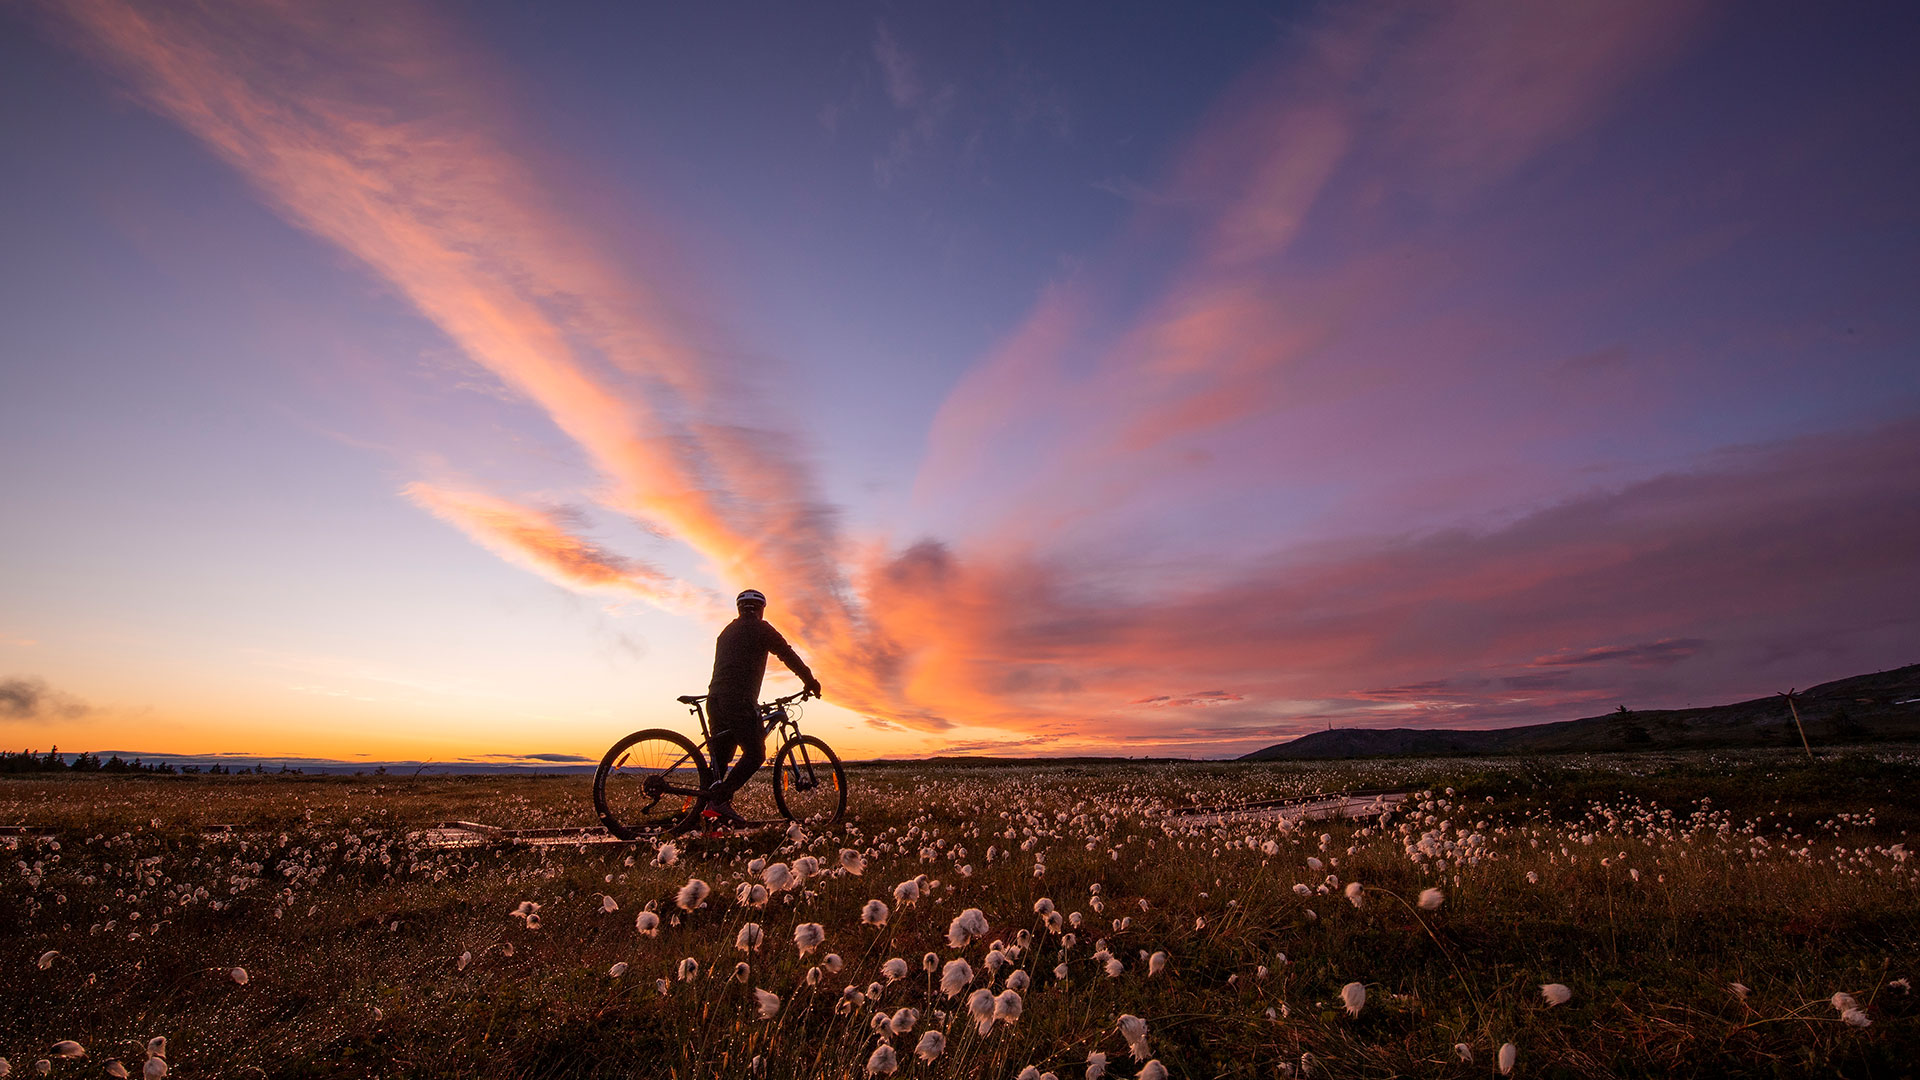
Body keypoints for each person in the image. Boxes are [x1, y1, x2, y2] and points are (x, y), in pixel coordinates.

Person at [704, 588, 822, 827]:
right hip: (738, 700)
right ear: (760, 609)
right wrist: (809, 680)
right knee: (756, 753)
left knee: (721, 758)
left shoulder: (726, 632)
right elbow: (787, 654)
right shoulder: (761, 628)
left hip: (715, 699)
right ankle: (720, 800)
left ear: (739, 608)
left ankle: (707, 806)